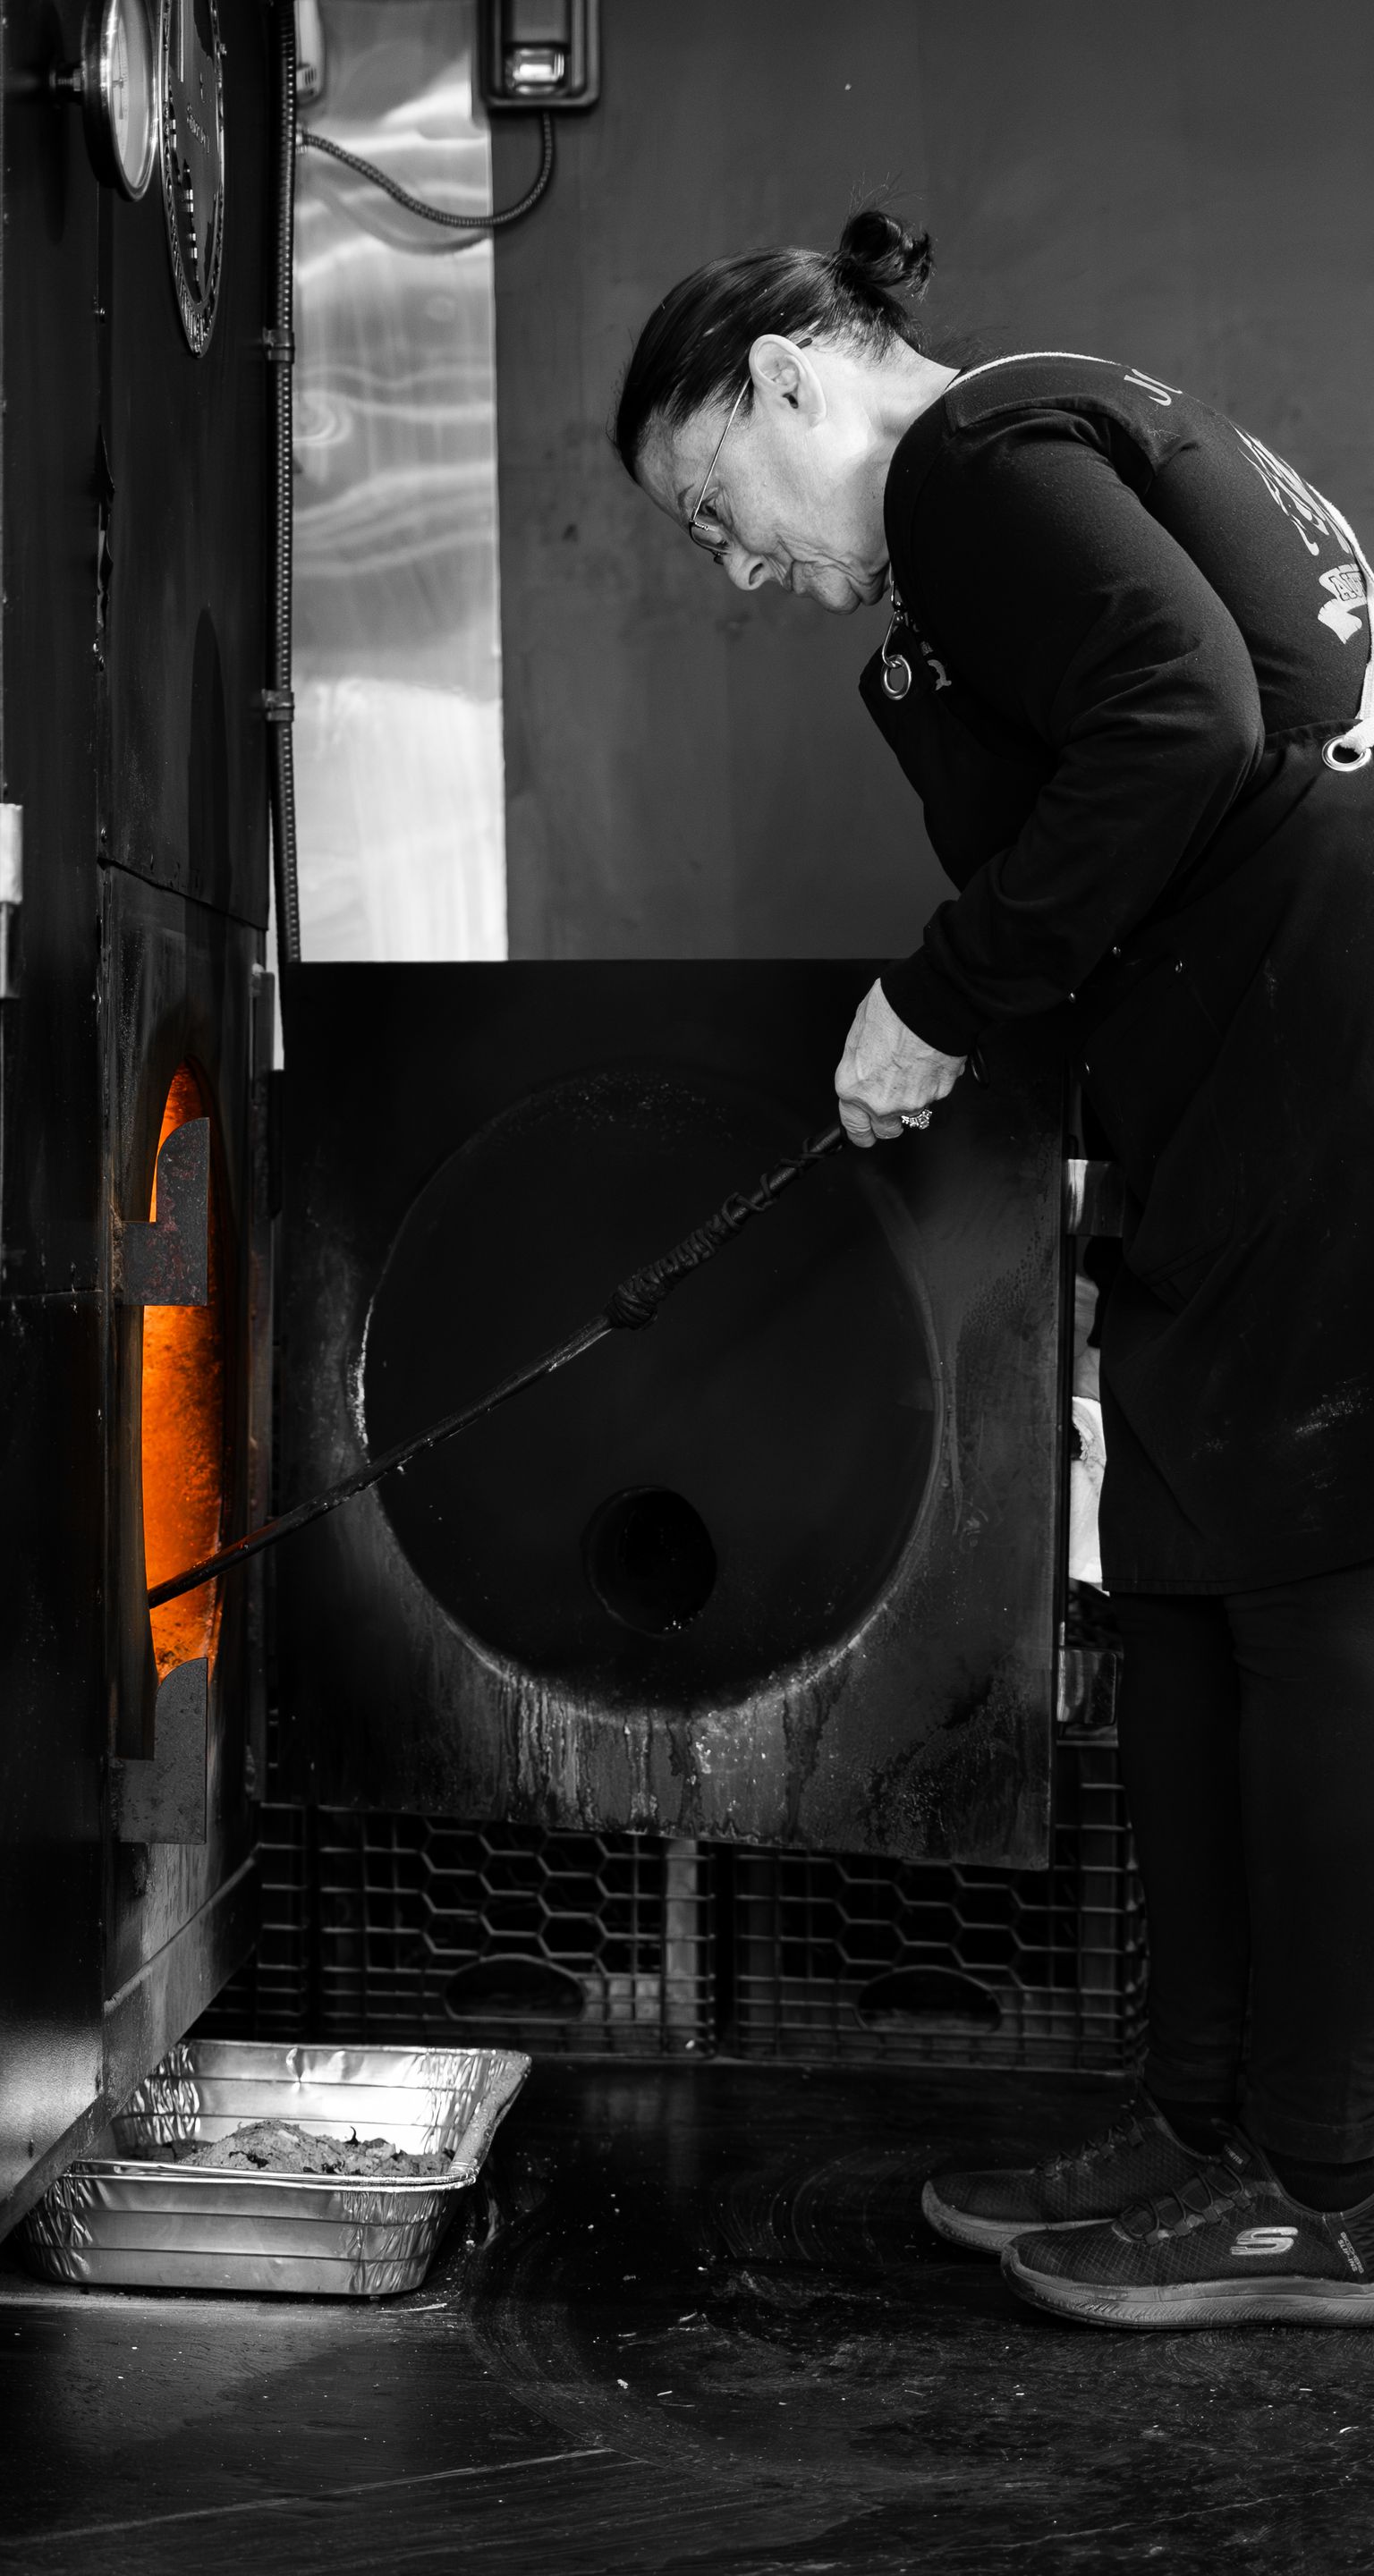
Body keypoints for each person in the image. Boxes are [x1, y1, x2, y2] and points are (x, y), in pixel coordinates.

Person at [614, 208, 1374, 2330]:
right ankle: (1220, 2117)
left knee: (1313, 1610)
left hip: (1328, 1063)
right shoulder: (1034, 483)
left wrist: (940, 999)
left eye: (717, 509)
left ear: (788, 375)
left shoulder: (975, 461)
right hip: (1259, 1080)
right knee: (1214, 1595)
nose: (739, 569)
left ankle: (1334, 2182)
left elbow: (1183, 722)